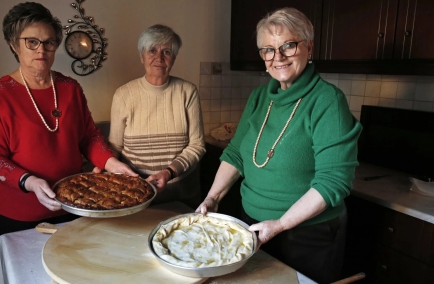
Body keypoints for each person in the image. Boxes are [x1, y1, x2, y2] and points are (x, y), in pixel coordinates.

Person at [196, 7, 362, 284]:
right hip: (251, 223)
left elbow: (334, 181)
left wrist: (282, 224)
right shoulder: (260, 97)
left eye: (288, 45)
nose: (278, 57)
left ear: (309, 47)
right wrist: (212, 198)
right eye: (268, 49)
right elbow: (236, 153)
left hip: (308, 235)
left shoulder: (327, 101)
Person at [0, 2, 136, 244]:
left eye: (49, 42)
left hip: (70, 207)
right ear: (13, 45)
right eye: (32, 42)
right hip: (13, 215)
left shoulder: (70, 88)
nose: (41, 49)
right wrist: (29, 181)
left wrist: (111, 162)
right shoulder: (0, 95)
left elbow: (89, 137)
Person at [105, 24, 205, 209]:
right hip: (135, 194)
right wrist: (104, 164)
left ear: (174, 58)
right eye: (152, 50)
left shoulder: (187, 92)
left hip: (180, 194)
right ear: (141, 56)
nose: (159, 58)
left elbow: (197, 145)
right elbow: (115, 146)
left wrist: (169, 172)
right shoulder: (123, 95)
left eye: (166, 51)